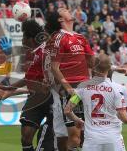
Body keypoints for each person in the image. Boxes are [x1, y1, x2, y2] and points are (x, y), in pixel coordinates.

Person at [0, 20, 54, 151]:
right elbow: (28, 78)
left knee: (48, 140)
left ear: (30, 38)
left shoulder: (47, 51)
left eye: (23, 37)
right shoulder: (34, 53)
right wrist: (10, 87)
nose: (22, 40)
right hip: (34, 99)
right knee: (25, 137)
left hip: (50, 98)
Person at [64, 54, 127, 151]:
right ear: (109, 69)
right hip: (112, 139)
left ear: (94, 67)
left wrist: (76, 120)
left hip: (92, 140)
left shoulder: (82, 87)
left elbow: (67, 110)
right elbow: (124, 117)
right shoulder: (117, 89)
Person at [44, 8, 95, 151]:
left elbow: (92, 62)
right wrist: (68, 89)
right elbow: (54, 67)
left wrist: (112, 67)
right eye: (64, 10)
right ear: (61, 19)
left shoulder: (81, 37)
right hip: (71, 88)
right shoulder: (58, 37)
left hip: (86, 87)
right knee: (74, 136)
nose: (68, 10)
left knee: (87, 134)